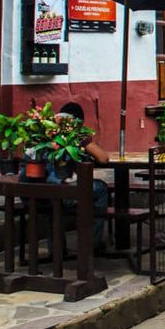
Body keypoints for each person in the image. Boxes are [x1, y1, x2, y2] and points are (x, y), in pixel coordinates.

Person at [54, 103, 110, 249]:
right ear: (78, 121)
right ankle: (92, 244)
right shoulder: (76, 135)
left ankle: (56, 249)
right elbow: (103, 158)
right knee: (101, 188)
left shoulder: (46, 132)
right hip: (64, 191)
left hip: (39, 188)